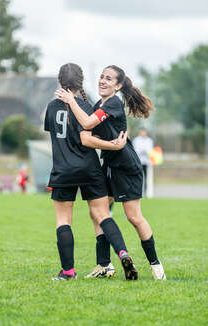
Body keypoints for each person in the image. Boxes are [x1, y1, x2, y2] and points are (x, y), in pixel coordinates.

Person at [56, 65, 166, 280]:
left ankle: (156, 265)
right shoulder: (100, 104)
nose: (102, 81)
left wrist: (70, 101)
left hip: (126, 167)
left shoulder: (114, 103)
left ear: (117, 86)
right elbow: (87, 135)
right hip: (108, 164)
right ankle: (104, 264)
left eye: (108, 79)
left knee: (133, 217)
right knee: (98, 211)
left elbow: (87, 123)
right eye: (101, 77)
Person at [45, 63, 137, 281]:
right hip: (89, 169)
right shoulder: (87, 108)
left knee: (63, 220)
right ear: (81, 82)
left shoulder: (51, 107)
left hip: (63, 170)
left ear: (60, 81)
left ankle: (68, 272)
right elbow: (89, 137)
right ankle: (122, 253)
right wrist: (114, 145)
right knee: (103, 215)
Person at [133, 128, 153, 194]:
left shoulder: (149, 140)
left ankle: (145, 191)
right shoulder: (136, 140)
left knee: (146, 177)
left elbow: (150, 150)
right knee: (138, 177)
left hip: (146, 162)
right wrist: (141, 151)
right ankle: (138, 191)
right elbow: (135, 150)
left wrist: (146, 151)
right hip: (138, 162)